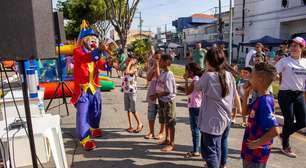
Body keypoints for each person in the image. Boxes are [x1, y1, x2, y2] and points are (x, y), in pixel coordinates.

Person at [195, 48, 237, 168]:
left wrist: (206, 71)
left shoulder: (208, 76)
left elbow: (197, 87)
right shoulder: (229, 75)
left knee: (210, 151)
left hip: (211, 121)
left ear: (208, 61)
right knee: (217, 146)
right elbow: (234, 94)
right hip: (225, 118)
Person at [71, 26, 107, 151]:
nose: (93, 41)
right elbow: (86, 58)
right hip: (82, 90)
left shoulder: (96, 52)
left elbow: (102, 64)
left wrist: (111, 63)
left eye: (95, 39)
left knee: (96, 109)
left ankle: (94, 127)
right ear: (83, 40)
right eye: (91, 39)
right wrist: (98, 51)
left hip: (95, 88)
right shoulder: (78, 51)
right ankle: (84, 139)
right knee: (83, 114)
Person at [241, 63, 280, 168]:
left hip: (257, 155)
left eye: (251, 76)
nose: (249, 79)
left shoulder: (265, 101)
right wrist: (246, 94)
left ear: (260, 79)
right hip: (251, 152)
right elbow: (244, 112)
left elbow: (275, 130)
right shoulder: (260, 99)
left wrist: (257, 143)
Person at [275, 37, 306, 157]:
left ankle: (284, 134)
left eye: (296, 45)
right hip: (285, 94)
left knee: (303, 121)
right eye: (292, 45)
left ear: (302, 48)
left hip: (299, 94)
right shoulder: (284, 61)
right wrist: (275, 76)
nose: (293, 47)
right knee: (288, 120)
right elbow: (273, 72)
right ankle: (285, 146)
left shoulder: (305, 62)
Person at [154, 54, 177, 152]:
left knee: (170, 122)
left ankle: (172, 143)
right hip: (162, 100)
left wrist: (156, 95)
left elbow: (168, 91)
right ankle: (167, 139)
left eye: (161, 61)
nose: (159, 62)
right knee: (166, 121)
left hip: (168, 101)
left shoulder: (169, 74)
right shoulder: (163, 72)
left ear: (167, 62)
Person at [183, 62, 203, 158]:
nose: (185, 72)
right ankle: (198, 149)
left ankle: (196, 150)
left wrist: (186, 80)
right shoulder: (197, 79)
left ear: (191, 72)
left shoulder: (195, 80)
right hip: (197, 105)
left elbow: (187, 92)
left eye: (187, 71)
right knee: (198, 129)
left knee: (195, 129)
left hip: (195, 106)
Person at [145, 50, 165, 140]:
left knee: (162, 114)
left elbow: (159, 78)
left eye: (158, 59)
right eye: (155, 58)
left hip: (161, 94)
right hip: (152, 93)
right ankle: (151, 132)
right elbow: (148, 78)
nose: (157, 60)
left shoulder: (164, 69)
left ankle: (161, 132)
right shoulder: (152, 66)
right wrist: (153, 68)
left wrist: (157, 67)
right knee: (151, 113)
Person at [121, 54, 144, 133]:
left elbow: (127, 72)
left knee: (133, 110)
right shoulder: (127, 67)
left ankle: (140, 124)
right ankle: (130, 126)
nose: (127, 61)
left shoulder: (134, 69)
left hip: (132, 92)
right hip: (126, 91)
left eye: (128, 59)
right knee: (128, 109)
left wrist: (130, 63)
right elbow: (120, 68)